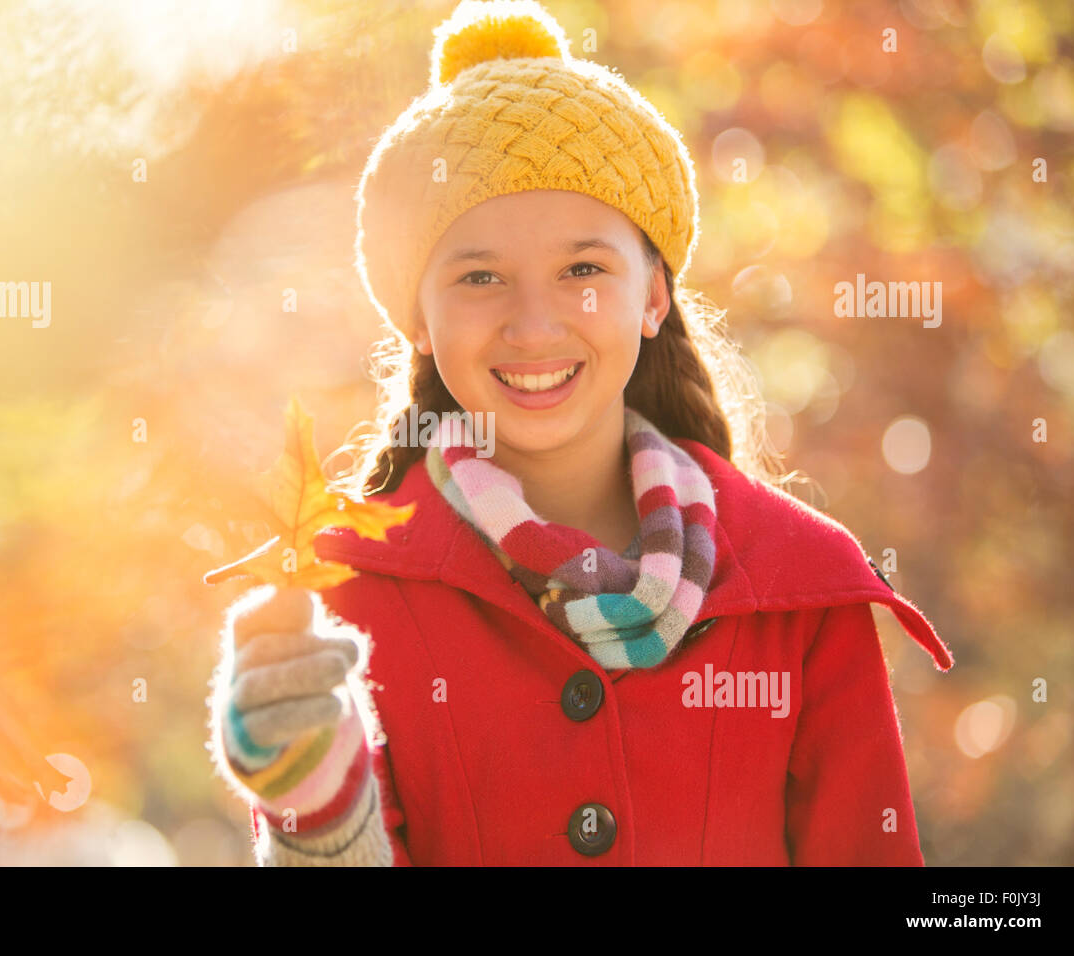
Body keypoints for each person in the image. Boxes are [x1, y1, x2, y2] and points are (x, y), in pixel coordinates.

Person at [207, 0, 954, 866]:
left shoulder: (802, 594)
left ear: (652, 296)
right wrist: (319, 816)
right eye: (480, 275)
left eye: (583, 271)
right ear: (417, 317)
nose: (534, 325)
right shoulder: (344, 603)